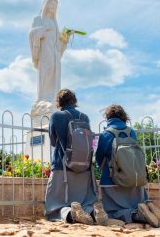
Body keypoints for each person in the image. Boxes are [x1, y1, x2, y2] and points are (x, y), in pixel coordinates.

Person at [44, 89, 108, 225]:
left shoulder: (56, 116)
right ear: (74, 101)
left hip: (62, 168)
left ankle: (71, 213)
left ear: (59, 102)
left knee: (55, 205)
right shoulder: (84, 117)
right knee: (85, 202)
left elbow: (54, 142)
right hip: (84, 168)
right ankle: (93, 212)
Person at [95, 104, 160, 227]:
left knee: (111, 212)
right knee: (135, 203)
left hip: (112, 182)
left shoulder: (106, 134)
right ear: (123, 117)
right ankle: (148, 207)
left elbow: (99, 158)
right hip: (135, 182)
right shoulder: (131, 132)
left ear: (108, 117)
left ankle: (136, 215)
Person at [29, 0, 68, 103]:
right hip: (45, 50)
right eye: (51, 5)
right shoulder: (38, 19)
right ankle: (43, 97)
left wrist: (64, 38)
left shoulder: (55, 23)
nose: (53, 8)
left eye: (55, 7)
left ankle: (53, 96)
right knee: (47, 69)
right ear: (46, 6)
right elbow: (32, 33)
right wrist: (42, 31)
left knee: (55, 71)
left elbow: (58, 40)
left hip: (55, 51)